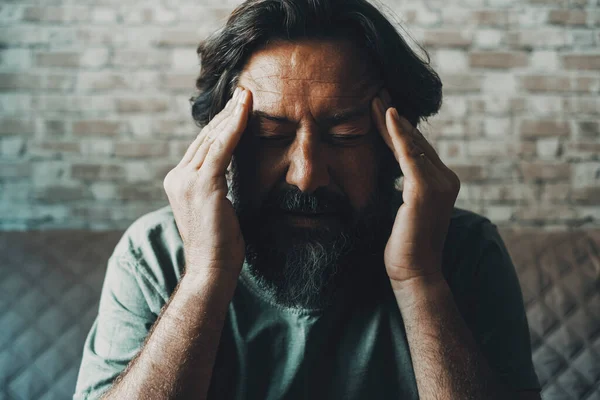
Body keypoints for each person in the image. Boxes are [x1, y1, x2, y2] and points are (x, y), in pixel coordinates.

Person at [73, 0, 542, 398]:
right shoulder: (153, 254)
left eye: (345, 135)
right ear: (223, 142)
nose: (306, 176)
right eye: (270, 135)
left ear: (393, 144)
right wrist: (206, 276)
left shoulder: (464, 250)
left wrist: (420, 279)